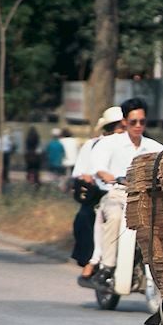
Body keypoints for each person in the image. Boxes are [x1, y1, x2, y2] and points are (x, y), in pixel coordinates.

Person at [79, 98, 163, 289]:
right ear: (125, 122)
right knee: (115, 216)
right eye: (133, 122)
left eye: (142, 121)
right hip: (117, 194)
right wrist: (110, 176)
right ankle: (107, 266)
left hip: (146, 198)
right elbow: (98, 167)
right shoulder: (109, 143)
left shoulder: (155, 147)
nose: (138, 126)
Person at [71, 106, 125, 278]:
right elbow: (82, 172)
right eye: (120, 127)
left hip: (128, 193)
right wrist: (91, 177)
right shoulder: (93, 145)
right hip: (100, 194)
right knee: (86, 217)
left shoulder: (134, 145)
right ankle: (92, 260)